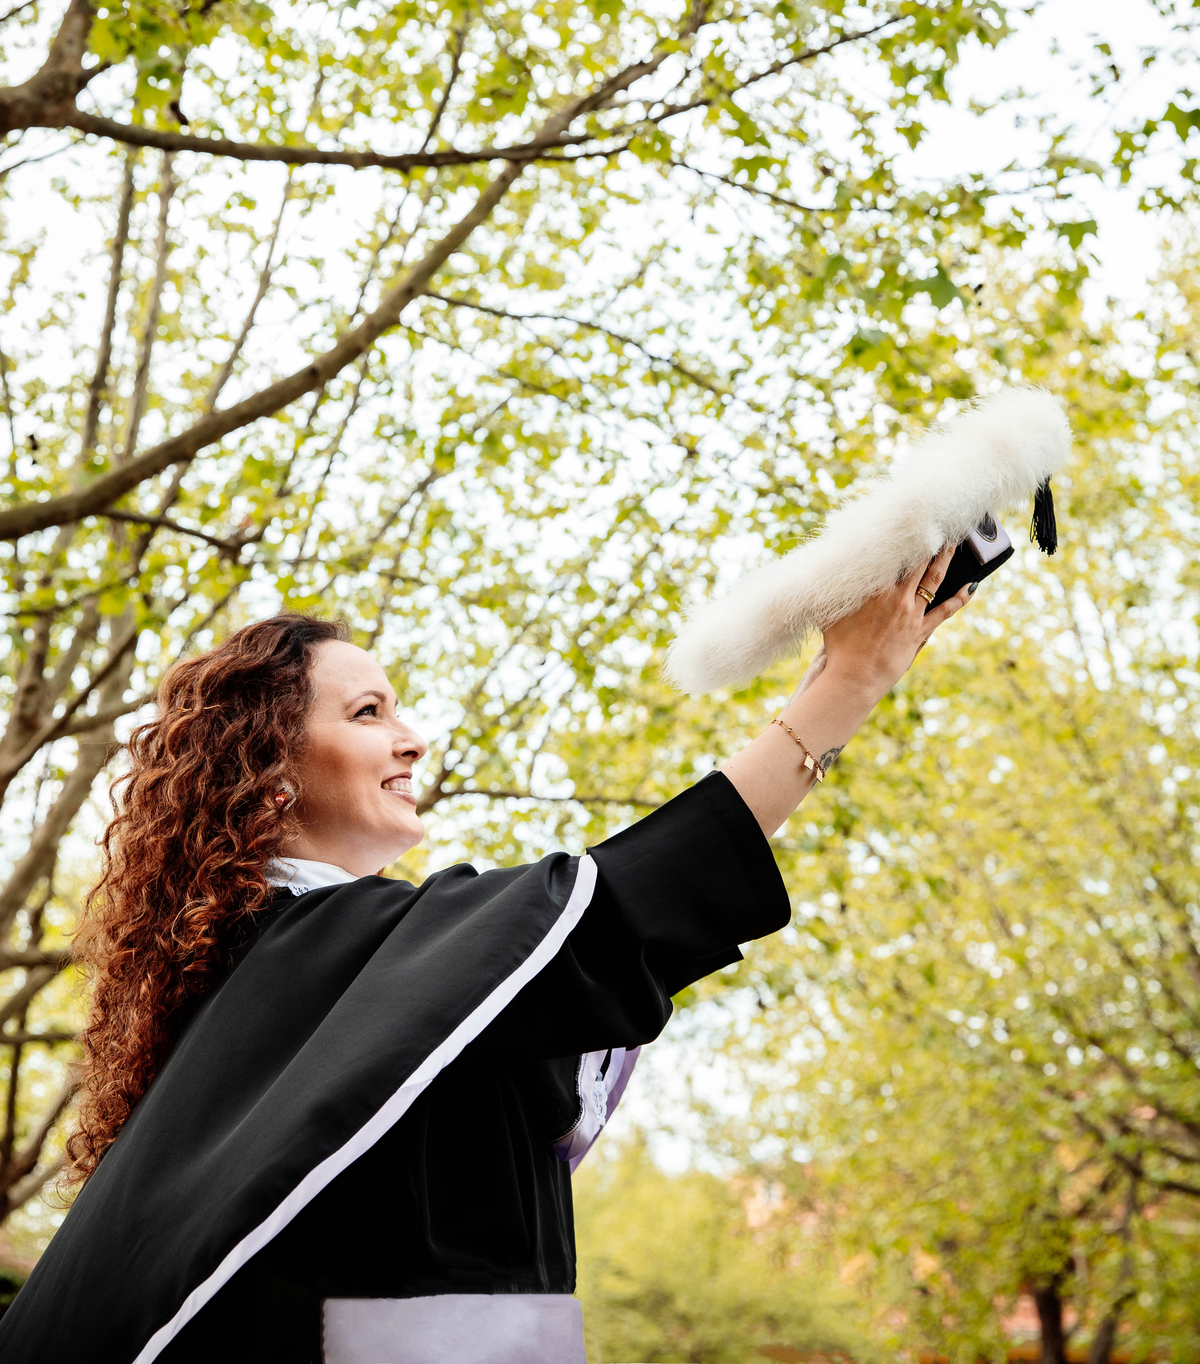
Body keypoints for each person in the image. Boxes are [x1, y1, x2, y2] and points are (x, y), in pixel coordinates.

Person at [0, 549, 971, 1364]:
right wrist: (849, 686)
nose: (412, 738)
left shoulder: (321, 972)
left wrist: (849, 658)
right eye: (368, 712)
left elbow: (571, 971)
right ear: (270, 767)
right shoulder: (310, 955)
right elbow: (621, 909)